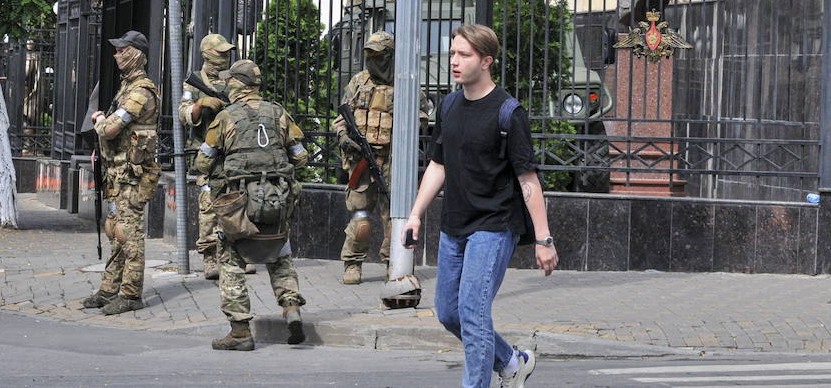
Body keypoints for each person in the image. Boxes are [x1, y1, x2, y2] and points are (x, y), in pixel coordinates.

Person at [403, 25, 558, 388]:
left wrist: (543, 239)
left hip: (494, 225)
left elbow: (528, 180)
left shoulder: (508, 113)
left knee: (473, 313)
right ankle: (511, 360)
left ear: (486, 61)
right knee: (449, 313)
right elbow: (438, 164)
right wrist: (415, 213)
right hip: (455, 224)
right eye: (453, 53)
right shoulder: (449, 106)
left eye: (464, 55)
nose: (454, 61)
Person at [194, 59, 308, 351]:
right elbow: (301, 156)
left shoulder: (225, 118)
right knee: (280, 253)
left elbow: (203, 161)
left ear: (236, 85)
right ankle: (291, 307)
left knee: (231, 262)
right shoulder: (279, 113)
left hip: (240, 206)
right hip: (277, 200)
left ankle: (241, 332)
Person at [330, 30, 431, 285]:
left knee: (394, 216)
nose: (373, 59)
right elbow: (341, 119)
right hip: (361, 159)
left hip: (393, 159)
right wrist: (345, 138)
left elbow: (423, 118)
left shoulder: (405, 83)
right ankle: (353, 263)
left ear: (389, 55)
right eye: (369, 54)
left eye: (379, 55)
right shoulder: (358, 83)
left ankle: (392, 262)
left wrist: (412, 118)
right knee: (360, 217)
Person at [82, 30, 160, 315]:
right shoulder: (127, 87)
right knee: (115, 230)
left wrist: (100, 119)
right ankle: (108, 289)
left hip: (132, 177)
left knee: (129, 232)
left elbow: (111, 128)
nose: (116, 55)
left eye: (121, 50)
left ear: (133, 54)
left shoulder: (140, 91)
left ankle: (130, 294)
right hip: (117, 173)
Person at [178, 32, 236, 280]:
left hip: (231, 153)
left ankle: (232, 255)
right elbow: (184, 113)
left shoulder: (234, 78)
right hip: (205, 154)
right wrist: (201, 105)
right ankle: (209, 256)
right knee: (208, 207)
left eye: (226, 52)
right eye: (220, 52)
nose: (224, 56)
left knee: (234, 204)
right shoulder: (194, 82)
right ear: (207, 54)